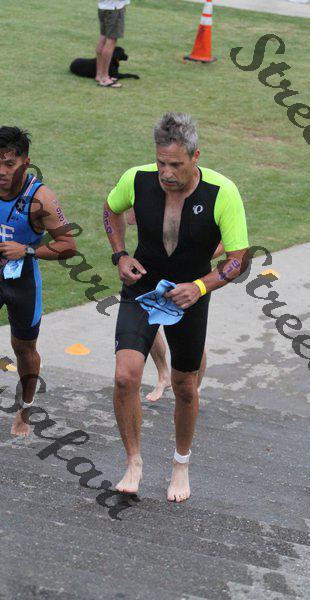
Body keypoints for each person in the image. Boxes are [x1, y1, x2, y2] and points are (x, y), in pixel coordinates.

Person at [103, 112, 249, 502]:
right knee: (125, 377)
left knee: (185, 387)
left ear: (195, 156)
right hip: (142, 287)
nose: (166, 173)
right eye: (161, 163)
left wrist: (200, 287)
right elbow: (110, 210)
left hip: (190, 295)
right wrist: (120, 255)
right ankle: (133, 461)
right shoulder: (137, 179)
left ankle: (180, 463)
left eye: (176, 165)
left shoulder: (222, 192)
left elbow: (238, 260)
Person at [0, 127, 76, 437]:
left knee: (24, 348)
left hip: (22, 283)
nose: (2, 171)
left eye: (9, 164)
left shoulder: (40, 198)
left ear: (26, 163)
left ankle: (25, 409)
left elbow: (68, 245)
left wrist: (27, 250)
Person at [124, 207, 224, 402]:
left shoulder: (208, 198)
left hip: (191, 278)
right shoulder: (155, 192)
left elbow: (225, 244)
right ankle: (164, 376)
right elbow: (130, 218)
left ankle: (193, 389)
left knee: (191, 337)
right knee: (147, 321)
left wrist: (192, 257)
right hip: (153, 272)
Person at [96, 0, 130, 88]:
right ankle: (104, 78)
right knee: (111, 41)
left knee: (103, 37)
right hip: (113, 8)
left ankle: (99, 75)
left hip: (104, 7)